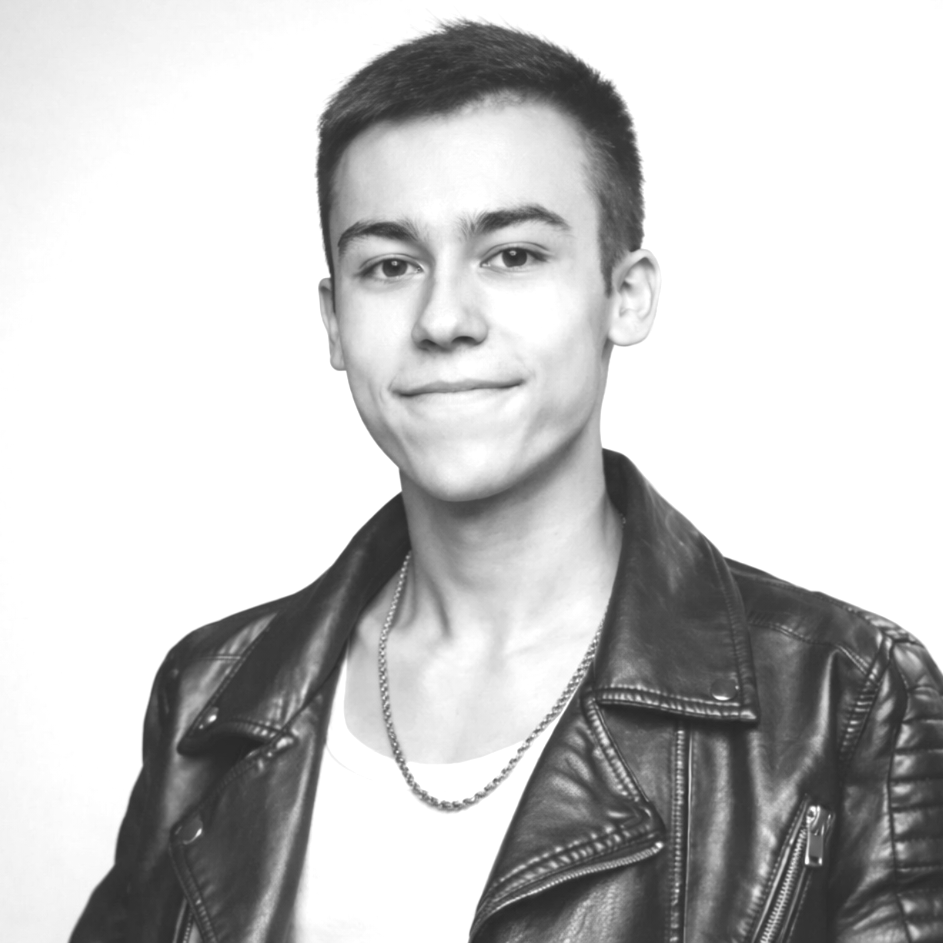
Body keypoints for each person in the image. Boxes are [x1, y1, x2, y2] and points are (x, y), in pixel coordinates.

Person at [71, 20, 943, 943]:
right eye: (389, 266)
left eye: (513, 254)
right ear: (334, 320)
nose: (443, 317)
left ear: (625, 294)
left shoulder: (845, 698)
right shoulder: (213, 694)